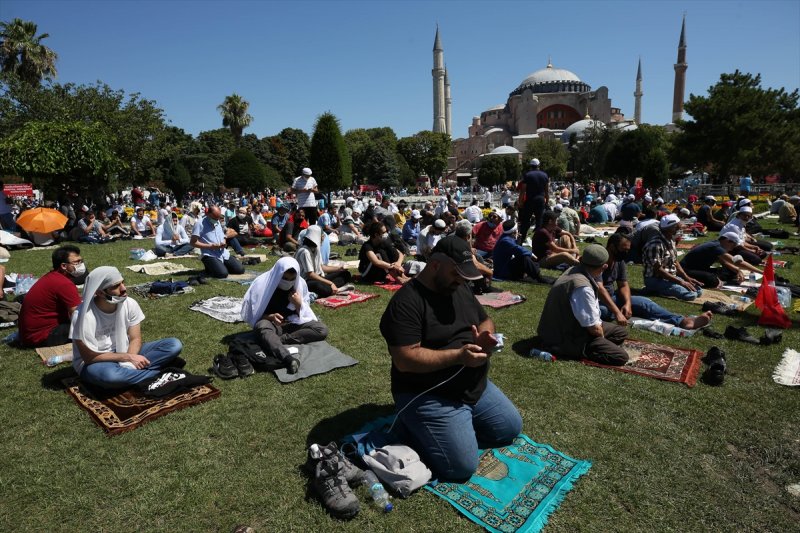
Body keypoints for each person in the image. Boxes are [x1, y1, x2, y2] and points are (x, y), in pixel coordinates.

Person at [379, 235, 522, 480]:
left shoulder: (458, 287)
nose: (462, 280)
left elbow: (484, 319)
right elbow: (405, 359)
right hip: (429, 394)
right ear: (435, 265)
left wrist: (485, 336)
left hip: (471, 384)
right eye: (457, 274)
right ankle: (414, 425)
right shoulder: (407, 303)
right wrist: (459, 357)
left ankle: (452, 426)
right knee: (461, 467)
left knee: (509, 429)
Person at [70, 266, 183, 390]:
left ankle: (132, 374)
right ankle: (158, 374)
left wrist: (129, 361)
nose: (124, 289)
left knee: (174, 344)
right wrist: (128, 358)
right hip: (96, 362)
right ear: (100, 292)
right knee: (110, 376)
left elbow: (135, 339)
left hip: (125, 350)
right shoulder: (82, 316)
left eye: (123, 282)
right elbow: (89, 357)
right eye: (115, 286)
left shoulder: (129, 303)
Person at [537, 245, 628, 365]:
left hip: (566, 326)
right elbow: (594, 329)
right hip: (563, 336)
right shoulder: (583, 288)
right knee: (621, 357)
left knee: (621, 333)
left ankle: (588, 346)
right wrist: (602, 341)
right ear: (602, 267)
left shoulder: (576, 270)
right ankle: (580, 350)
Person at [599, 234, 712, 329]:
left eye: (628, 250)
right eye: (624, 250)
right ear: (612, 247)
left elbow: (623, 284)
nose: (626, 253)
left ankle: (682, 321)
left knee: (645, 303)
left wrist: (627, 304)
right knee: (603, 312)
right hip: (596, 300)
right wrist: (617, 312)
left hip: (612, 297)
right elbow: (600, 289)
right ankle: (619, 312)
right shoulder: (597, 260)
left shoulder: (619, 262)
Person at [240, 257, 329, 375]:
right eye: (285, 278)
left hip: (292, 323)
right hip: (272, 324)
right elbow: (255, 316)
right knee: (262, 326)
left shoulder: (299, 284)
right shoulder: (263, 284)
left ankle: (277, 341)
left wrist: (298, 304)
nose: (288, 282)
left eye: (292, 279)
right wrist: (270, 316)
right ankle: (287, 358)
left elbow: (304, 315)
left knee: (321, 329)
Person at [18, 245, 85, 347]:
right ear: (63, 266)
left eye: (81, 261)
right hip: (42, 336)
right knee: (92, 327)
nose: (81, 265)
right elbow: (77, 315)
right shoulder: (64, 284)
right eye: (77, 262)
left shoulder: (53, 276)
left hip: (29, 334)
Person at [642, 214, 703, 300]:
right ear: (668, 229)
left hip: (670, 277)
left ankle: (663, 289)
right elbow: (658, 269)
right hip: (655, 279)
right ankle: (653, 289)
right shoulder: (655, 245)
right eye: (677, 228)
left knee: (698, 291)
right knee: (691, 295)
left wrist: (686, 278)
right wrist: (681, 282)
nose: (680, 230)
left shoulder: (670, 240)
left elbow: (675, 261)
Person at [680, 232, 762, 288]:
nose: (731, 249)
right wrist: (761, 272)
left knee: (730, 271)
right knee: (712, 279)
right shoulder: (716, 246)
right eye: (733, 246)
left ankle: (718, 279)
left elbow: (724, 262)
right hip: (686, 270)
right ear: (727, 241)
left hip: (699, 268)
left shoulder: (717, 245)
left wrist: (737, 270)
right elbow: (737, 262)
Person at [295, 225, 352, 297]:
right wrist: (330, 283)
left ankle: (333, 289)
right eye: (322, 236)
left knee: (346, 274)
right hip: (306, 281)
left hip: (318, 277)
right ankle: (335, 289)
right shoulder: (304, 251)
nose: (323, 238)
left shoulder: (316, 248)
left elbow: (322, 267)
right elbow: (310, 275)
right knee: (319, 286)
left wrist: (339, 268)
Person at [190, 205, 245, 279]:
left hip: (222, 252)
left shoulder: (217, 222)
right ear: (208, 214)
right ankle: (211, 267)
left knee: (240, 270)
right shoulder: (199, 224)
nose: (216, 220)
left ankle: (219, 266)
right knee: (223, 274)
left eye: (218, 218)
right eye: (215, 218)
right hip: (209, 254)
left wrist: (224, 240)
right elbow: (193, 242)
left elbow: (223, 236)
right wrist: (210, 246)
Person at [517, 158, 549, 241]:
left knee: (526, 220)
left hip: (530, 200)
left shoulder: (527, 175)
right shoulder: (544, 175)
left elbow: (523, 190)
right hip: (541, 199)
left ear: (530, 166)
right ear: (538, 165)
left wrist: (520, 202)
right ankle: (538, 239)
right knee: (539, 221)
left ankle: (521, 238)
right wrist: (547, 201)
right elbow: (546, 191)